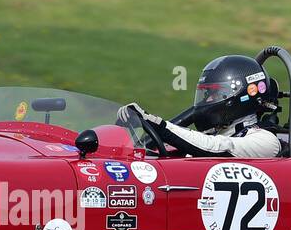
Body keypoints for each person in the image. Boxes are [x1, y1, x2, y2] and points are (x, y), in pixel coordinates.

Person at [119, 54, 281, 158]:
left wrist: (160, 125)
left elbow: (217, 147)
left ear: (241, 95)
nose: (208, 100)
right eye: (206, 94)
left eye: (215, 94)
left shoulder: (265, 141)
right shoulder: (220, 133)